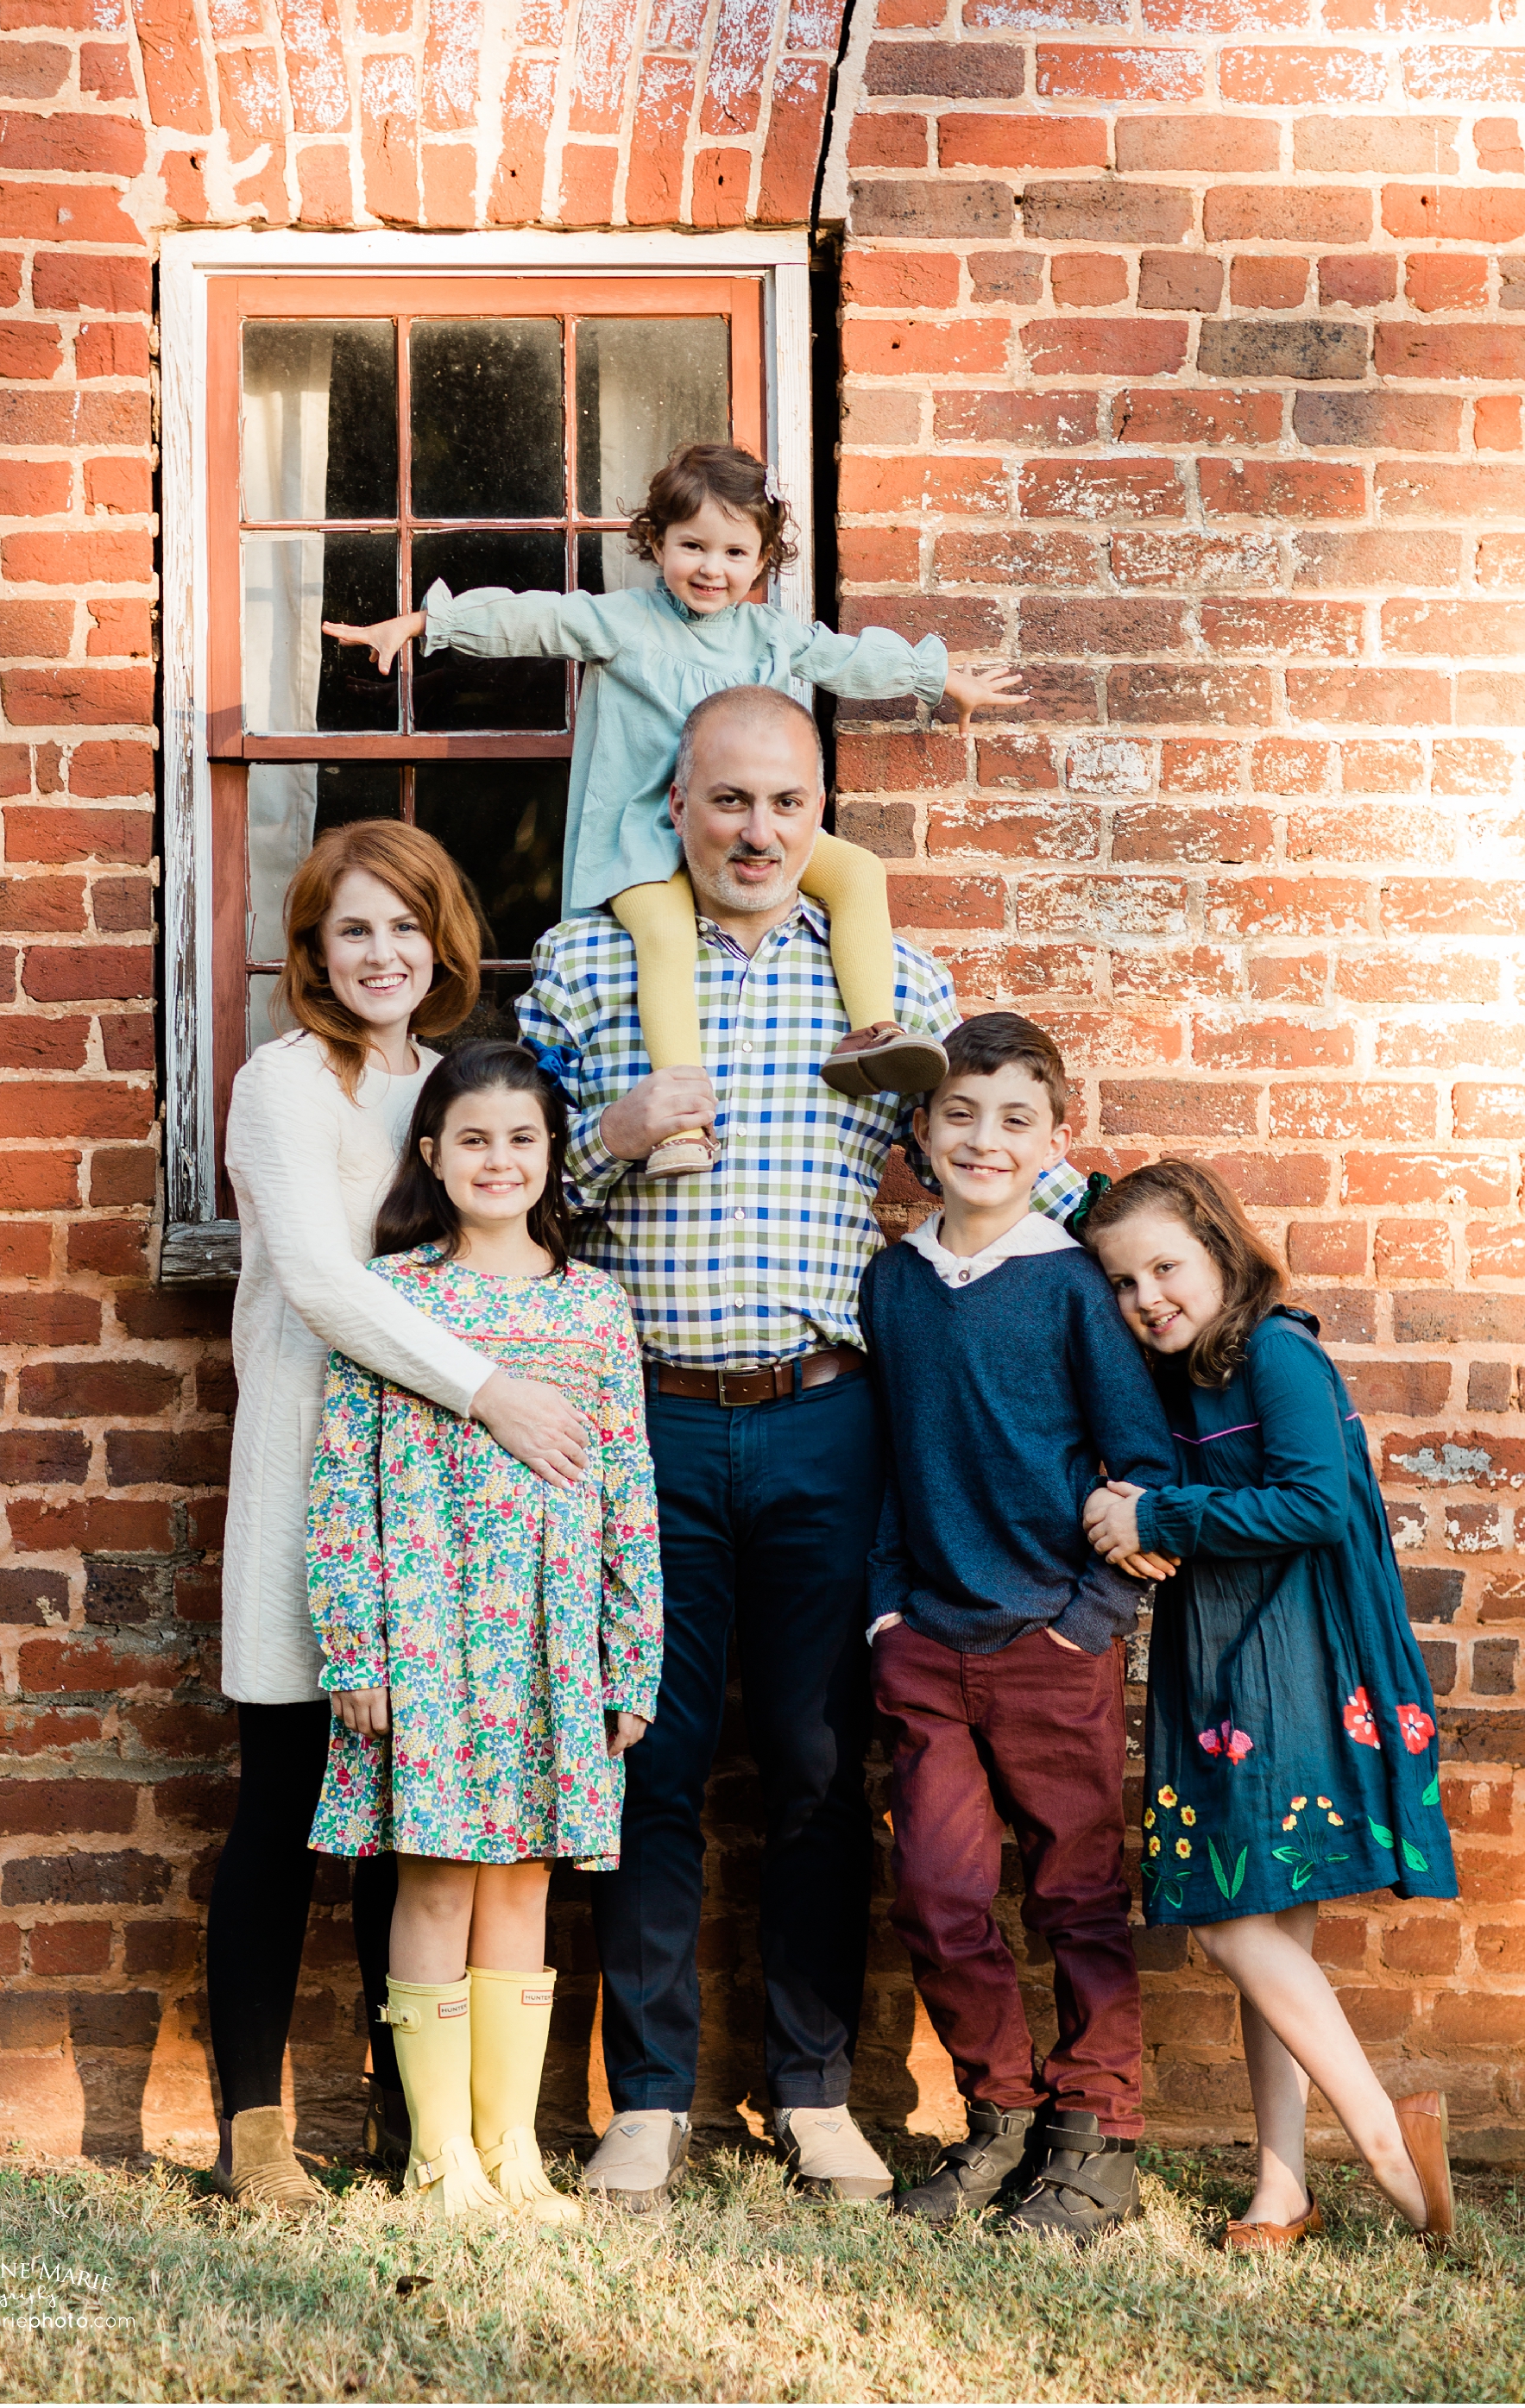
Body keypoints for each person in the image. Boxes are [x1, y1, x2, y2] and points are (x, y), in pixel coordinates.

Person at [516, 688, 1099, 2210]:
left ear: (817, 816)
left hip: (829, 1416)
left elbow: (989, 1164)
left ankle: (812, 2087)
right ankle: (643, 2096)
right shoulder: (586, 972)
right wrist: (608, 1134)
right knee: (648, 1753)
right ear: (676, 808)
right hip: (642, 1414)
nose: (757, 830)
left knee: (823, 1765)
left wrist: (1159, 1259)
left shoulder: (893, 983)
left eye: (785, 803)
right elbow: (503, 1206)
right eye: (727, 802)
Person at [211, 820, 600, 2214]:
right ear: (313, 951)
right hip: (308, 1472)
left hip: (439, 1518)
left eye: (405, 925)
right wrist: (493, 1387)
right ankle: (252, 2130)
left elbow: (520, 1206)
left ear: (441, 944)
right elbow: (319, 1278)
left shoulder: (452, 1087)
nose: (381, 953)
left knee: (414, 1819)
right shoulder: (280, 1082)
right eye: (350, 929)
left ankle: (412, 2125)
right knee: (285, 1808)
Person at [325, 440, 1025, 1173]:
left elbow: (845, 658)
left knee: (857, 876)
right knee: (665, 940)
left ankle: (873, 1031)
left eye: (733, 552)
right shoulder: (621, 622)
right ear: (656, 541)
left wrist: (939, 679)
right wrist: (425, 626)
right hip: (642, 837)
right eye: (692, 545)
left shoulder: (768, 635)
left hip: (738, 834)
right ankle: (683, 1120)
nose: (711, 569)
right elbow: (533, 620)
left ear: (762, 561)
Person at [305, 1040, 662, 2228]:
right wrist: (355, 1645)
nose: (498, 1158)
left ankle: (509, 2149)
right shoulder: (393, 1296)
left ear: (554, 1154)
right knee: (437, 1873)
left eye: (521, 1137)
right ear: (432, 1155)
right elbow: (341, 1475)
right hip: (428, 1630)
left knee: (522, 1877)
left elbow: (628, 1487)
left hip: (553, 1641)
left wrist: (633, 1648)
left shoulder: (594, 1304)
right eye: (473, 1138)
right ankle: (436, 2155)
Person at [1083, 1160, 1459, 2254]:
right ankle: (1278, 2185)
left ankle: (1385, 2135)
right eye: (1121, 1280)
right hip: (1220, 1656)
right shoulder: (1184, 1366)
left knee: (1235, 1914)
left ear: (1217, 1246)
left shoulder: (1272, 1350)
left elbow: (1312, 1499)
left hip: (1296, 1655)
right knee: (1276, 1928)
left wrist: (1156, 1509)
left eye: (1165, 1265)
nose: (1146, 1295)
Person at [859, 1014, 1177, 2244]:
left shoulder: (1072, 1287)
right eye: (960, 1114)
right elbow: (890, 1454)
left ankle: (1099, 2136)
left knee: (1077, 1893)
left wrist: (1085, 1619)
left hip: (1052, 1643)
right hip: (927, 1643)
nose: (984, 1138)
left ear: (1056, 1138)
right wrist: (888, 1609)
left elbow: (1139, 1463)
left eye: (1014, 1118)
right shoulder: (896, 1280)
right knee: (940, 1894)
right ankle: (999, 2116)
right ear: (920, 1134)